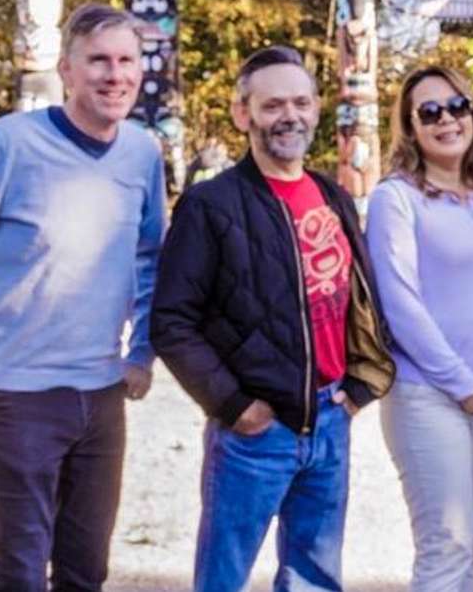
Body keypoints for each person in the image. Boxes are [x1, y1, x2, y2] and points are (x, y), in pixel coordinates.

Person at [0, 2, 166, 592]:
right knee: (20, 576)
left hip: (101, 398)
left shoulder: (141, 153)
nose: (115, 74)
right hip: (16, 401)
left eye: (127, 60)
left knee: (85, 573)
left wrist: (142, 351)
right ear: (66, 70)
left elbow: (152, 256)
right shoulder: (11, 145)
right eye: (98, 60)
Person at [152, 45, 397, 592]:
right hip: (255, 432)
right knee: (223, 579)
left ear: (316, 109)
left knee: (314, 578)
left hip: (331, 418)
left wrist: (359, 386)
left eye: (302, 103)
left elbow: (356, 295)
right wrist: (235, 406)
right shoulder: (211, 204)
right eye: (272, 105)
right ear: (244, 114)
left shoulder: (332, 194)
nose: (290, 116)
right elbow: (172, 321)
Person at [366, 65, 473, 592]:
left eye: (457, 106)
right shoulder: (396, 199)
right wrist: (464, 385)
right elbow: (400, 304)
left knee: (471, 542)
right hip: (427, 395)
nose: (447, 120)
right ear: (410, 127)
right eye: (430, 112)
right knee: (445, 546)